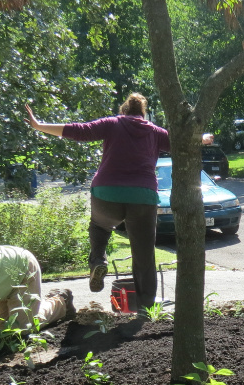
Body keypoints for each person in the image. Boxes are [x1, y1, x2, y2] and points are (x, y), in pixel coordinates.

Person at [25, 93, 170, 309]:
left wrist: (40, 125)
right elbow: (183, 143)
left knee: (99, 226)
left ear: (124, 111)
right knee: (144, 256)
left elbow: (79, 130)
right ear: (143, 113)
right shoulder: (156, 132)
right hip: (143, 196)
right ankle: (146, 309)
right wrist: (201, 139)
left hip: (107, 193)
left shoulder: (112, 123)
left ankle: (98, 262)